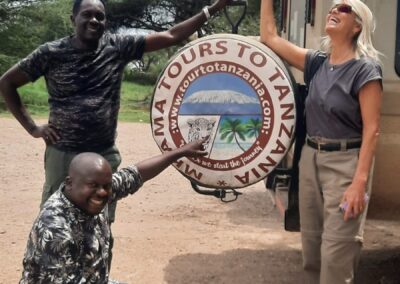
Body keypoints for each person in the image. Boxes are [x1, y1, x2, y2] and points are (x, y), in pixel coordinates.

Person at [0, 0, 230, 219]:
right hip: (64, 154)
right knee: (54, 216)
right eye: (87, 15)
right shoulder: (50, 53)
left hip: (103, 154)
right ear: (73, 19)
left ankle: (98, 260)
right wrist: (33, 128)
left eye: (100, 16)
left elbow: (171, 36)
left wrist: (213, 8)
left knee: (101, 217)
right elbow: (7, 82)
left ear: (106, 22)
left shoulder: (117, 47)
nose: (94, 20)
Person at [260, 0, 382, 283]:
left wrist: (359, 183)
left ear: (357, 26)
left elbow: (372, 129)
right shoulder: (317, 63)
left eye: (343, 8)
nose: (333, 10)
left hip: (346, 166)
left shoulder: (365, 70)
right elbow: (269, 37)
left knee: (337, 252)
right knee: (312, 251)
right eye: (332, 7)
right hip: (310, 160)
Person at [19, 138, 207, 283]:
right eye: (93, 185)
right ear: (69, 183)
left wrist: (181, 152)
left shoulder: (92, 194)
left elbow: (136, 174)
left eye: (106, 186)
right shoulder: (55, 228)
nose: (102, 193)